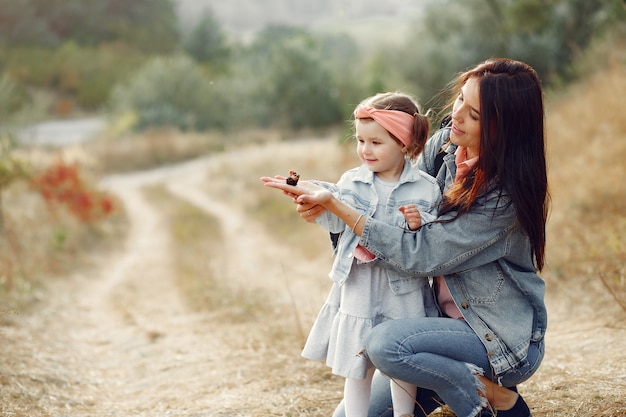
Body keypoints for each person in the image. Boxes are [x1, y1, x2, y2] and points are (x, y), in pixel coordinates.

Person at [261, 58, 548, 417]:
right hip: (433, 328)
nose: (456, 115)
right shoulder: (444, 147)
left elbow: (421, 254)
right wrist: (323, 203)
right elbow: (388, 203)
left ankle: (495, 396)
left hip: (491, 337)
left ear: (503, 128)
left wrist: (340, 208)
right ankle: (444, 376)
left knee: (383, 344)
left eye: (473, 114)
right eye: (459, 99)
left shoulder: (504, 197)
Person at [270, 92, 442, 417]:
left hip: (402, 289)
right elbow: (337, 219)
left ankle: (405, 414)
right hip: (359, 286)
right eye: (361, 140)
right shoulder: (352, 181)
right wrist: (313, 204)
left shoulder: (426, 188)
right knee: (357, 363)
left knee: (400, 362)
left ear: (404, 144)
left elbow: (433, 241)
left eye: (376, 142)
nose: (365, 150)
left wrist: (420, 223)